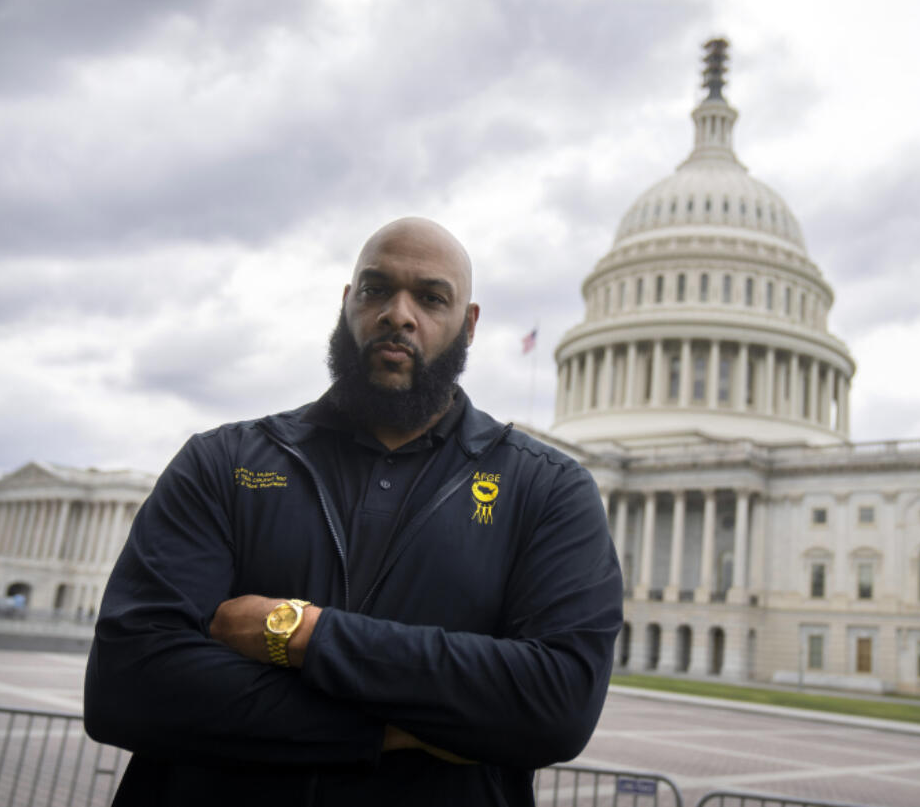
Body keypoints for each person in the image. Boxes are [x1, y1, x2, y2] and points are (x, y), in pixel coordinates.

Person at [84, 217, 624, 806]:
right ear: (347, 304)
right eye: (375, 289)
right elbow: (126, 688)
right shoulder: (224, 461)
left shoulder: (547, 489)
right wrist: (393, 729)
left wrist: (297, 632)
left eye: (430, 297)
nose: (398, 313)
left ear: (468, 326)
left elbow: (556, 703)